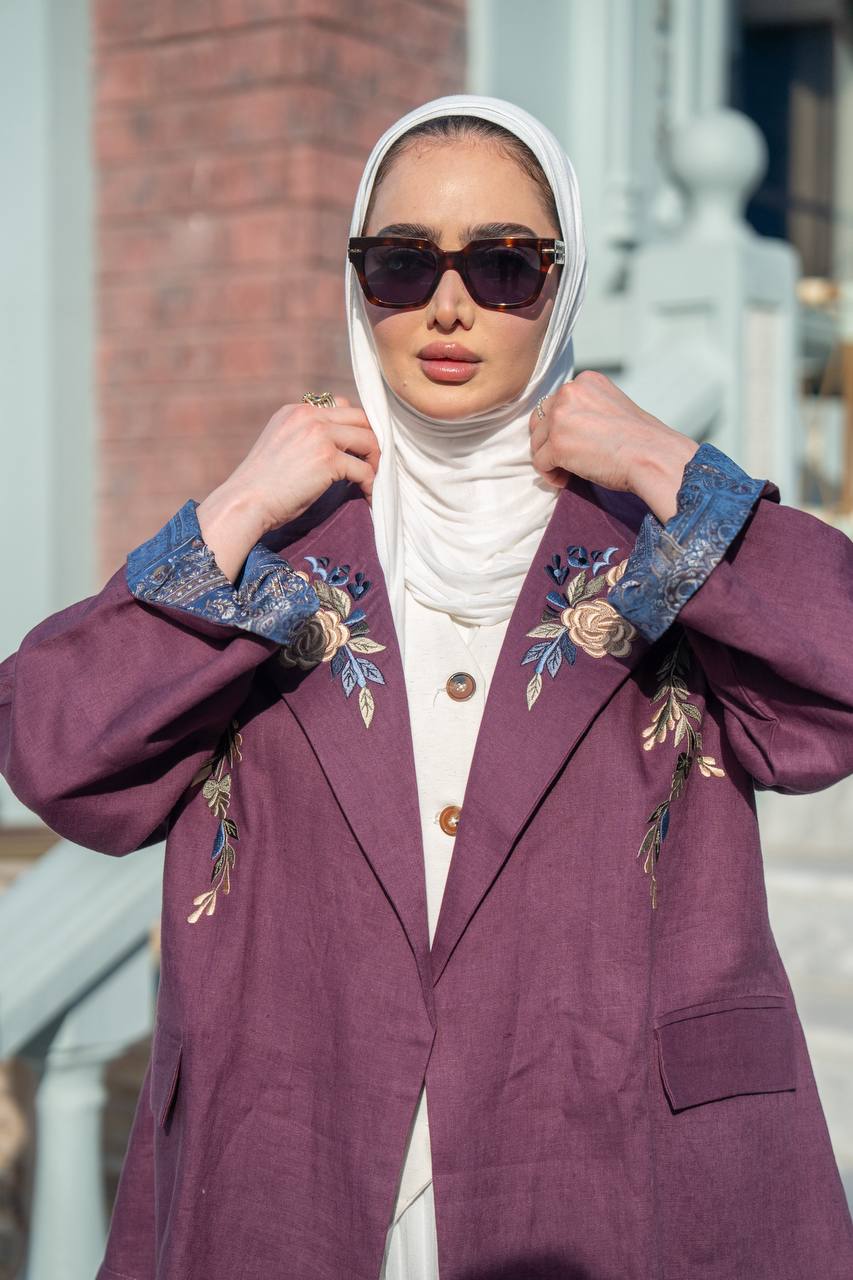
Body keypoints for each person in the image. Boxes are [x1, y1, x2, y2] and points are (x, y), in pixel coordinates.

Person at [2, 92, 853, 1280]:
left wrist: (665, 462)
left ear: (561, 286)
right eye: (402, 262)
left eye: (505, 264)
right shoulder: (275, 557)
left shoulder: (661, 546)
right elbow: (50, 745)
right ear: (357, 281)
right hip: (301, 1177)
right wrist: (232, 509)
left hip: (608, 1178)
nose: (449, 303)